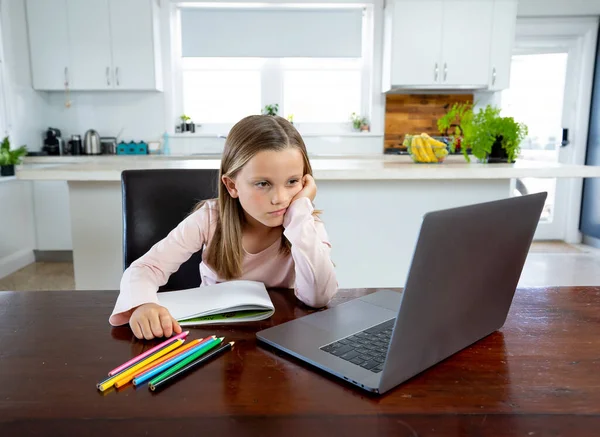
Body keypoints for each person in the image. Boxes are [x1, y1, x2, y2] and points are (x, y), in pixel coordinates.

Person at [109, 115, 338, 339]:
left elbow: (318, 297)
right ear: (232, 185)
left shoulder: (306, 224)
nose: (280, 198)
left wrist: (300, 215)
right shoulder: (209, 219)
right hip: (212, 337)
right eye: (263, 183)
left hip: (281, 336)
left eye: (292, 182)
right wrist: (143, 303)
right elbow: (146, 268)